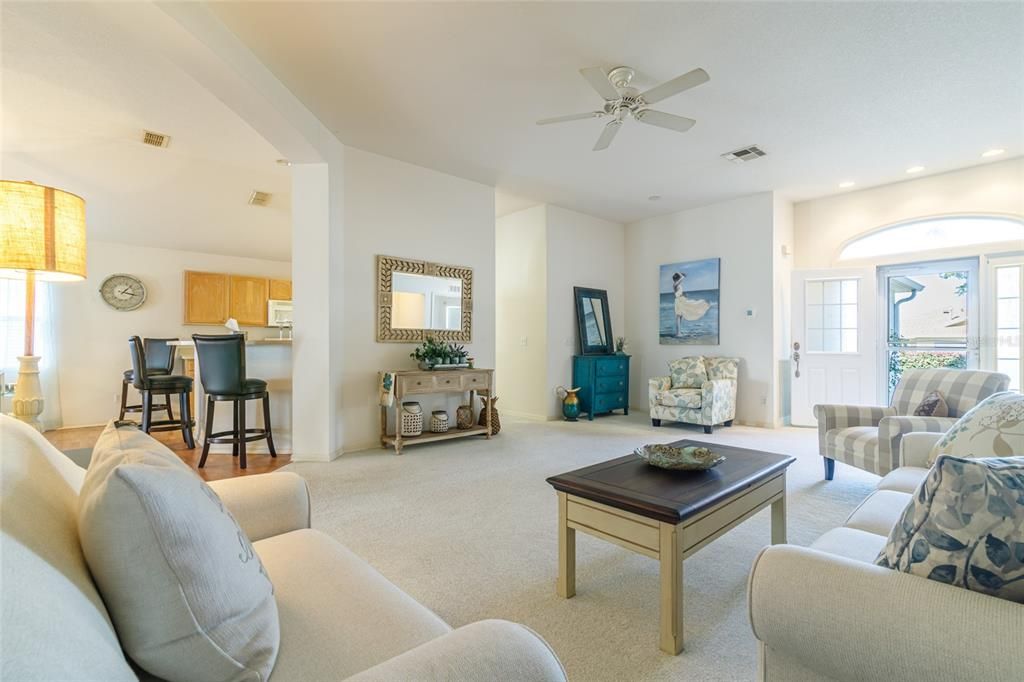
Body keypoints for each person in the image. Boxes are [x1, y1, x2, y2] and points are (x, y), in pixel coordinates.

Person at [672, 272, 710, 336]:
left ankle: (679, 332)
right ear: (677, 279)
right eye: (678, 279)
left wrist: (684, 295)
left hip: (681, 299)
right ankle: (678, 333)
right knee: (678, 316)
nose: (680, 281)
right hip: (679, 301)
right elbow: (681, 279)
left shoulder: (678, 285)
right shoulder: (675, 284)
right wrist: (682, 275)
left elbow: (679, 292)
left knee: (681, 316)